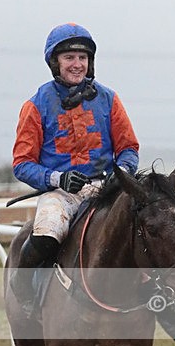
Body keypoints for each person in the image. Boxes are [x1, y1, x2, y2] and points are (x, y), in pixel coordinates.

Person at [11, 23, 139, 312]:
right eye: (69, 57)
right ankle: (24, 292)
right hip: (61, 193)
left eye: (82, 58)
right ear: (55, 62)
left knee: (146, 227)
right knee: (47, 234)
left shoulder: (109, 99)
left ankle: (158, 297)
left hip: (106, 189)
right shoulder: (35, 105)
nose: (77, 64)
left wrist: (121, 177)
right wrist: (57, 178)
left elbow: (129, 148)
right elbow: (22, 164)